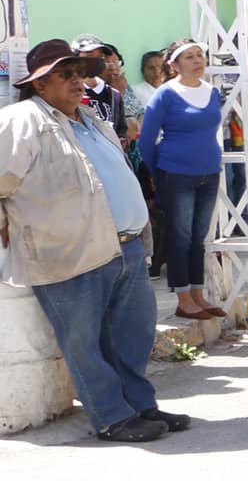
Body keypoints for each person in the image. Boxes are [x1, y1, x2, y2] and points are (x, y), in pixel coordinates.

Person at [0, 39, 189, 442]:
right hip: (69, 249)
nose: (77, 81)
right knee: (84, 342)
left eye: (79, 72)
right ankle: (111, 416)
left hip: (125, 245)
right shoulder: (23, 119)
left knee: (133, 335)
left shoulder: (89, 117)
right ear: (39, 84)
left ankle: (139, 406)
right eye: (65, 75)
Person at [137, 39, 227, 322]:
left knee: (198, 238)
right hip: (176, 174)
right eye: (189, 57)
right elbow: (146, 142)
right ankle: (183, 298)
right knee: (181, 237)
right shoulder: (166, 94)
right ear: (174, 65)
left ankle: (199, 295)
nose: (197, 60)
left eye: (199, 55)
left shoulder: (212, 92)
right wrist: (161, 172)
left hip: (209, 172)